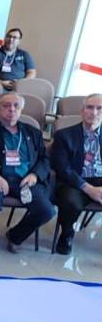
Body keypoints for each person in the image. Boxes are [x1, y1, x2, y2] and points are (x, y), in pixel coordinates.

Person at [0, 93, 54, 252]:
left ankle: (15, 236)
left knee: (46, 211)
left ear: (21, 110)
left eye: (16, 106)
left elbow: (44, 158)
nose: (12, 109)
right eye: (7, 105)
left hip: (25, 181)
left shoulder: (32, 132)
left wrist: (35, 175)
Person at [50, 93, 102, 254]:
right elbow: (62, 168)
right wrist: (88, 188)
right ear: (82, 111)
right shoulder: (64, 135)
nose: (94, 112)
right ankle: (67, 234)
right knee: (70, 202)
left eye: (99, 108)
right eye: (90, 107)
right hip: (74, 181)